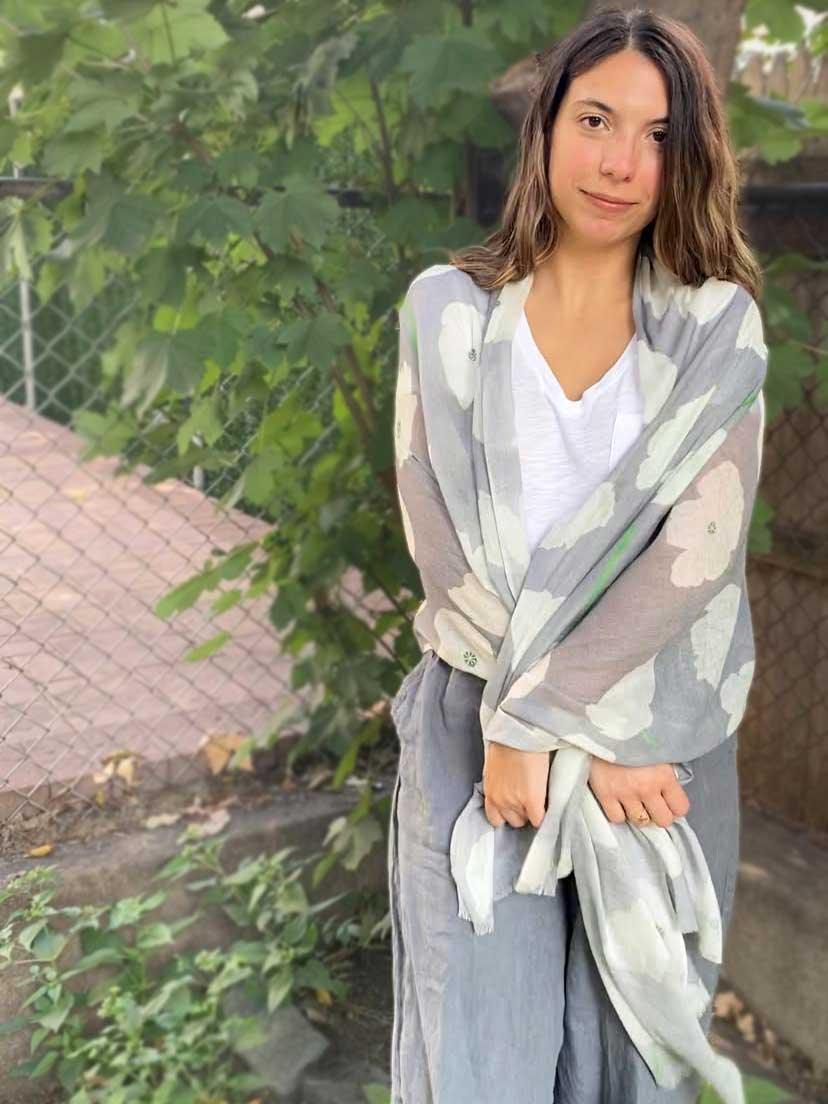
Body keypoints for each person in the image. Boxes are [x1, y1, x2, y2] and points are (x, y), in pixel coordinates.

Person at [388, 6, 764, 1102]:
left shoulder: (714, 328)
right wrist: (515, 732)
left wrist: (558, 729)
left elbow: (693, 557)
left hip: (653, 751)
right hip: (478, 750)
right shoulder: (450, 313)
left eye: (657, 136)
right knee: (479, 1063)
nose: (619, 161)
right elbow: (441, 549)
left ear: (688, 159)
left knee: (634, 1070)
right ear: (546, 126)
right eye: (596, 118)